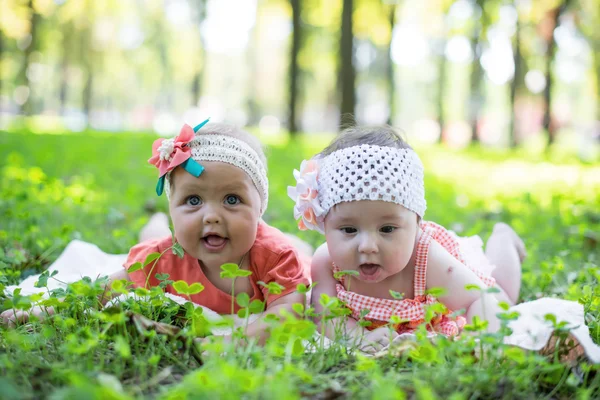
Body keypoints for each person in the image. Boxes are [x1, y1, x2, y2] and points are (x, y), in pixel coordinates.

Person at [2, 121, 311, 343]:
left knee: (300, 249)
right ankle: (155, 221)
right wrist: (45, 309)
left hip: (282, 245)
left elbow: (288, 313)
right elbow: (105, 290)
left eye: (232, 199)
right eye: (193, 200)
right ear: (174, 204)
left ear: (260, 208)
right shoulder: (163, 255)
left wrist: (230, 342)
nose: (212, 216)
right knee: (151, 239)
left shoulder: (276, 256)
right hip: (162, 245)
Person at [287, 125, 526, 353]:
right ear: (324, 225)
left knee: (503, 299)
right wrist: (360, 338)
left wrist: (470, 344)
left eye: (388, 229)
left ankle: (503, 238)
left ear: (416, 224)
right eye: (349, 230)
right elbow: (324, 318)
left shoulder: (424, 257)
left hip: (460, 273)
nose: (368, 246)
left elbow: (479, 299)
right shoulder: (326, 262)